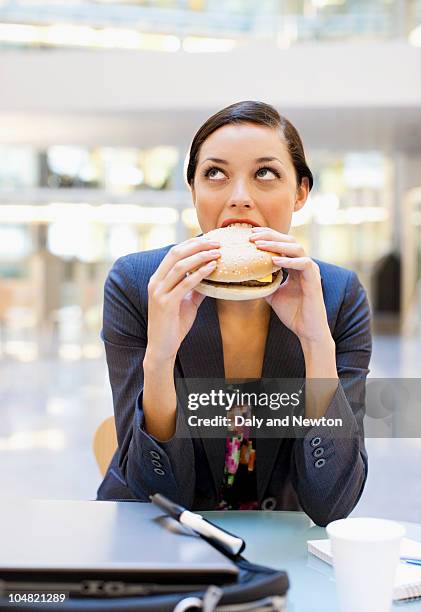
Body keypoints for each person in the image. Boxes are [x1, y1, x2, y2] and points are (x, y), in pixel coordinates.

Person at [96, 101, 372, 526]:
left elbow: (331, 503)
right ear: (193, 190)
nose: (239, 198)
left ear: (300, 193)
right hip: (155, 541)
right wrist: (161, 357)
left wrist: (317, 343)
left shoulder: (336, 295)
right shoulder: (140, 284)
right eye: (215, 174)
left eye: (265, 173)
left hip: (279, 542)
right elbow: (155, 496)